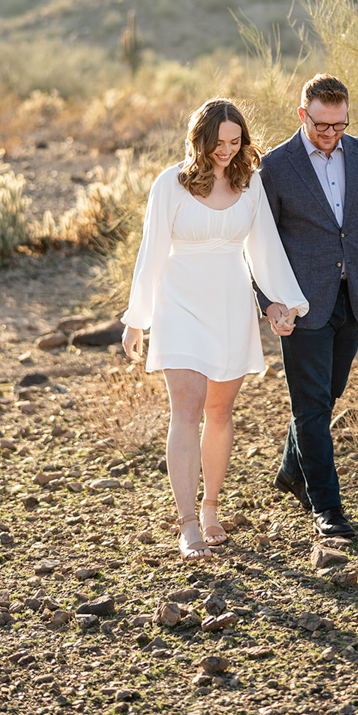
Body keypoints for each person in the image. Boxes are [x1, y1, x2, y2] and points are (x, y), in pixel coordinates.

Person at [121, 98, 308, 560]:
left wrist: (284, 301)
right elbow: (151, 254)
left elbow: (264, 248)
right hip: (180, 304)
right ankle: (187, 525)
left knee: (220, 413)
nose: (226, 150)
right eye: (218, 142)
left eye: (235, 141)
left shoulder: (250, 185)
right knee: (186, 410)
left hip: (229, 305)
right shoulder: (171, 185)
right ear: (199, 140)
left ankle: (210, 508)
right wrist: (135, 319)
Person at [257, 74, 358, 539]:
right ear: (303, 115)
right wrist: (269, 301)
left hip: (354, 296)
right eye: (322, 125)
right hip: (300, 304)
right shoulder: (275, 167)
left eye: (339, 125)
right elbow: (259, 244)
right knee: (313, 405)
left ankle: (290, 470)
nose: (331, 134)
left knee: (324, 396)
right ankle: (328, 509)